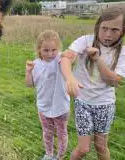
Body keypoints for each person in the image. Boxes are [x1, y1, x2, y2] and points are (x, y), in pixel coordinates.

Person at [60, 7, 125, 160]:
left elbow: (113, 81)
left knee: (101, 147)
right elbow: (66, 57)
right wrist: (70, 78)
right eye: (104, 28)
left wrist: (97, 59)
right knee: (83, 148)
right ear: (98, 26)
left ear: (122, 31)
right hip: (83, 102)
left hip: (105, 104)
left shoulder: (122, 53)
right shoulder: (85, 40)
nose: (108, 34)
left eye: (114, 30)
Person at [26, 30, 70, 160]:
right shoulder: (36, 64)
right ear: (39, 49)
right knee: (47, 132)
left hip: (60, 106)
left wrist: (68, 55)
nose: (50, 54)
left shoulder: (60, 59)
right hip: (43, 106)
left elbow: (72, 57)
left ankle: (60, 156)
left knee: (62, 133)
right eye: (46, 50)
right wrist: (28, 72)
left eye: (53, 50)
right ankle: (49, 154)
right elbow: (30, 84)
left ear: (58, 49)